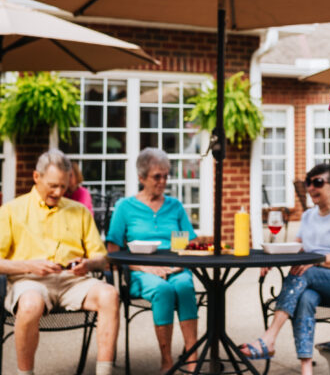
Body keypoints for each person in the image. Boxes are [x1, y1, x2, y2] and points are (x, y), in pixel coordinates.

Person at [241, 163, 330, 375]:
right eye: (309, 183)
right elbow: (295, 248)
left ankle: (269, 338)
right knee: (306, 297)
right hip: (318, 283)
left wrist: (314, 262)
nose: (311, 188)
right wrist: (272, 259)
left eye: (317, 182)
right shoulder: (309, 216)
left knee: (304, 271)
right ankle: (306, 367)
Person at [0, 149, 119, 375]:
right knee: (31, 304)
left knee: (109, 295)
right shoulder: (11, 211)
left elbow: (102, 258)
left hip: (73, 281)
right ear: (37, 177)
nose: (58, 192)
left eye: (64, 187)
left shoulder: (80, 211)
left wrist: (88, 264)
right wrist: (29, 265)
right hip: (30, 281)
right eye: (53, 185)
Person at [106, 147, 198, 375]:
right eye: (157, 176)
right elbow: (113, 250)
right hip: (140, 271)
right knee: (162, 290)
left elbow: (186, 243)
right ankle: (167, 361)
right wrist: (143, 267)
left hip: (175, 266)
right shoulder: (125, 207)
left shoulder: (174, 206)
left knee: (184, 286)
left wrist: (178, 263)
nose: (163, 181)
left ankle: (193, 359)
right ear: (141, 177)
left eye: (166, 176)